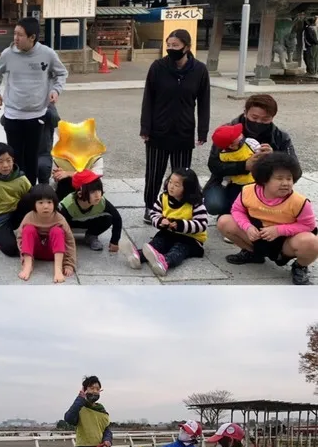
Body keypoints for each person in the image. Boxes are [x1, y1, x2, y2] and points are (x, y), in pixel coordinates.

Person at [140, 29, 210, 224]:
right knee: (154, 172)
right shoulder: (158, 67)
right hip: (158, 130)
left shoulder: (199, 70)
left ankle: (180, 207)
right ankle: (150, 206)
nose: (171, 49)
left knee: (181, 175)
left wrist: (202, 131)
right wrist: (145, 128)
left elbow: (204, 102)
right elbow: (148, 99)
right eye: (168, 45)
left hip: (184, 130)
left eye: (175, 46)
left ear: (187, 47)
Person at [217, 152, 318, 285]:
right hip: (257, 235)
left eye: (289, 178)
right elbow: (237, 211)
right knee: (224, 221)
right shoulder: (248, 191)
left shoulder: (300, 202)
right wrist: (247, 227)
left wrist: (279, 230)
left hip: (286, 243)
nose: (285, 183)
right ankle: (252, 254)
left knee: (311, 242)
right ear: (264, 179)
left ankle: (300, 267)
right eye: (279, 178)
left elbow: (308, 226)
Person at [0, 17, 69, 186]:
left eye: (20, 35)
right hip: (13, 114)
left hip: (36, 115)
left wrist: (56, 90)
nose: (15, 38)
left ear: (32, 37)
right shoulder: (8, 54)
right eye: (14, 34)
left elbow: (62, 73)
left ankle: (32, 191)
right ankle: (16, 190)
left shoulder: (47, 54)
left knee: (33, 156)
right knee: (15, 156)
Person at [204, 94, 296, 217]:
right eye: (254, 117)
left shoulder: (281, 137)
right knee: (215, 204)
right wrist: (244, 166)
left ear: (273, 117)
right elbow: (214, 165)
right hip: (226, 182)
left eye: (265, 119)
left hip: (264, 184)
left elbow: (296, 169)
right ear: (245, 113)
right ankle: (229, 211)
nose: (258, 122)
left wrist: (274, 157)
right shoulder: (228, 132)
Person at [122, 168, 208, 277]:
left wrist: (180, 225)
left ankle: (164, 262)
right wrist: (160, 221)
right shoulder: (164, 197)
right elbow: (153, 214)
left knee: (178, 250)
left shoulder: (196, 203)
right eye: (170, 182)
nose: (171, 186)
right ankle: (137, 256)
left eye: (176, 185)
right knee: (157, 243)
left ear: (188, 188)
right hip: (169, 233)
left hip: (190, 239)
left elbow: (202, 224)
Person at [16, 184, 76, 283]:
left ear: (54, 203)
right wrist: (24, 260)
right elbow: (20, 238)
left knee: (57, 231)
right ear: (33, 204)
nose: (46, 206)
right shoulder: (29, 217)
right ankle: (28, 266)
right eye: (40, 202)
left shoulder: (59, 218)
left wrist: (69, 264)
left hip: (54, 252)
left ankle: (58, 269)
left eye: (49, 202)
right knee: (28, 230)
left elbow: (70, 241)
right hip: (34, 251)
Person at [59, 171, 122, 253]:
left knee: (109, 218)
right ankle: (67, 239)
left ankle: (91, 235)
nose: (98, 195)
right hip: (70, 225)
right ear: (80, 194)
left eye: (99, 190)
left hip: (88, 223)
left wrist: (115, 241)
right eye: (92, 192)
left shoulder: (101, 202)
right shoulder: (68, 204)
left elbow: (117, 218)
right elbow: (58, 224)